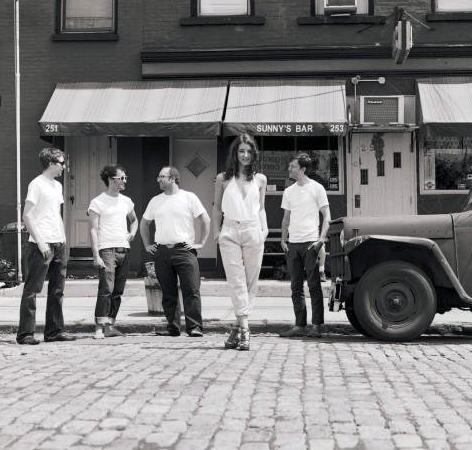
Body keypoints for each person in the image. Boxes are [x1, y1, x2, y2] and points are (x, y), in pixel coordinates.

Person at [139, 166, 210, 337]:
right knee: (168, 292)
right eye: (158, 176)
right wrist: (147, 245)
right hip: (162, 251)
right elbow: (144, 223)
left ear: (173, 178)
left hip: (184, 250)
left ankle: (194, 327)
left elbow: (205, 219)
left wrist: (201, 243)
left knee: (191, 290)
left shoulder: (189, 197)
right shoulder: (155, 200)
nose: (158, 180)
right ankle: (173, 327)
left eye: (162, 176)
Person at [213, 133, 268, 351]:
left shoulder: (260, 179)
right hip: (230, 231)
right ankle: (245, 328)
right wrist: (216, 232)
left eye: (249, 151)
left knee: (250, 281)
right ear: (234, 153)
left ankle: (237, 327)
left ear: (254, 154)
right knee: (236, 280)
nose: (245, 155)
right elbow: (217, 208)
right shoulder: (223, 179)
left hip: (253, 229)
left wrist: (264, 230)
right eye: (241, 151)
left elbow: (261, 208)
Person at [16, 148, 76, 345]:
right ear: (51, 163)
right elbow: (27, 216)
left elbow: (54, 214)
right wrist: (41, 242)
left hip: (59, 242)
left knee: (57, 290)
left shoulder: (57, 186)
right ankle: (25, 334)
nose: (64, 167)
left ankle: (54, 331)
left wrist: (63, 238)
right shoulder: (37, 184)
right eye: (61, 163)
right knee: (32, 290)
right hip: (41, 244)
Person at [280, 153, 331, 338]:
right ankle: (299, 325)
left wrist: (321, 240)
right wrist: (283, 239)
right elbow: (286, 218)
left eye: (293, 166)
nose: (289, 169)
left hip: (311, 243)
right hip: (293, 244)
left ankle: (317, 326)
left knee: (314, 285)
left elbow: (327, 216)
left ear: (302, 169)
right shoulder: (289, 191)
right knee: (296, 287)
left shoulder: (317, 188)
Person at [88, 165, 138, 339]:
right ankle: (99, 327)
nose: (125, 181)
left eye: (125, 178)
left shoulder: (126, 201)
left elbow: (134, 220)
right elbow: (93, 229)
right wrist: (96, 255)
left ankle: (110, 326)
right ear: (110, 179)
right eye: (121, 178)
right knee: (106, 289)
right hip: (107, 249)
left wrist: (132, 233)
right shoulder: (97, 202)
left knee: (117, 291)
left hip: (124, 249)